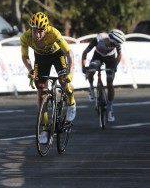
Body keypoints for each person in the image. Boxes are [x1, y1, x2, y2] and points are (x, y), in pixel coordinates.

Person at [20, 12, 76, 144]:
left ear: (46, 29)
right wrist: (31, 70)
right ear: (31, 29)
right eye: (35, 31)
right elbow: (25, 56)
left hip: (57, 55)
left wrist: (70, 72)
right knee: (41, 92)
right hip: (41, 58)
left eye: (41, 31)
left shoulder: (53, 33)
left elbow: (69, 52)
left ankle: (71, 103)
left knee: (63, 81)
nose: (38, 35)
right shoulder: (25, 37)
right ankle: (45, 129)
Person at [81, 29, 125, 122]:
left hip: (110, 59)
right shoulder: (99, 38)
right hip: (98, 56)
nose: (112, 46)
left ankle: (110, 109)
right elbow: (85, 52)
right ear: (109, 39)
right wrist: (83, 66)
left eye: (115, 45)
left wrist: (115, 66)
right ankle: (91, 87)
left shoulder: (117, 43)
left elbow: (120, 55)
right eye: (112, 44)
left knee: (110, 83)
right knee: (92, 67)